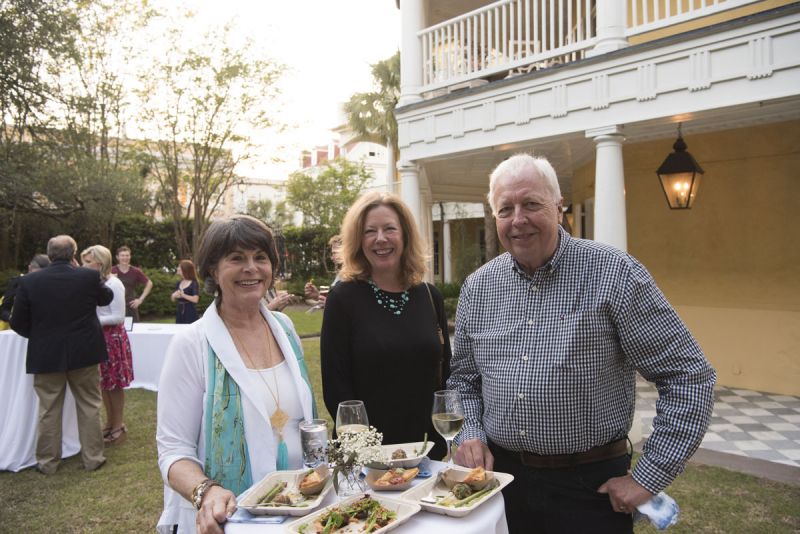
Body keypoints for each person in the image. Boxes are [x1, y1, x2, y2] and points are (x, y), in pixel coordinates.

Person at [449, 154, 716, 533]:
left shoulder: (615, 274)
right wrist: (471, 431)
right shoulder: (478, 287)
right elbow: (462, 380)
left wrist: (647, 478)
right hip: (501, 484)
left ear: (558, 207)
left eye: (531, 204)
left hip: (589, 488)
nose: (518, 219)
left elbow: (689, 376)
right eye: (505, 208)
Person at [156, 214, 318, 534]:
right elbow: (173, 451)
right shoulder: (191, 344)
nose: (251, 268)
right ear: (213, 271)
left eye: (261, 257)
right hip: (230, 522)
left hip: (301, 512)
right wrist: (207, 492)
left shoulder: (285, 329)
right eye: (236, 258)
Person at [321, 192, 452, 459]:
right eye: (370, 231)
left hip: (426, 452)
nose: (380, 239)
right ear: (359, 240)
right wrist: (366, 451)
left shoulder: (429, 296)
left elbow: (446, 375)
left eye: (389, 229)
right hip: (367, 457)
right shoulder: (343, 299)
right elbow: (336, 388)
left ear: (405, 235)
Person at [10, 235, 112, 474]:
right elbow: (106, 297)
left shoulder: (30, 281)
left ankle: (47, 462)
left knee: (48, 409)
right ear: (73, 254)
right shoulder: (88, 276)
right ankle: (93, 458)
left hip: (46, 354)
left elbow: (17, 322)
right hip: (84, 351)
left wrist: (39, 337)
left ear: (50, 254)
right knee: (89, 405)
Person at [81, 245, 134, 446]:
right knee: (104, 383)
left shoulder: (114, 284)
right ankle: (110, 422)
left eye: (88, 262)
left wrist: (91, 320)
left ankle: (118, 425)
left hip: (112, 338)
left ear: (100, 263)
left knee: (115, 384)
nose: (84, 266)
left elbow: (118, 316)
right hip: (98, 337)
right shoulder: (93, 282)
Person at [0, 254, 50, 325]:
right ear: (29, 268)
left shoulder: (51, 286)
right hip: (14, 330)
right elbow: (3, 310)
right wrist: (12, 318)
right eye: (37, 274)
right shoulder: (17, 283)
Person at [112, 245, 153, 322]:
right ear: (117, 257)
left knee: (133, 330)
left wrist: (140, 300)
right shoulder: (111, 271)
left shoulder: (135, 271)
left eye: (127, 255)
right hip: (115, 307)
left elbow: (149, 283)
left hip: (131, 306)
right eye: (122, 255)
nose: (125, 258)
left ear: (130, 257)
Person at [304, 235, 343, 308]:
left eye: (334, 253)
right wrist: (317, 295)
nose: (332, 257)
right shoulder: (341, 274)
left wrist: (329, 304)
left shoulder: (353, 276)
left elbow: (351, 307)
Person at [171, 259, 200, 324]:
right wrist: (173, 296)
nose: (177, 268)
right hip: (180, 311)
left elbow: (195, 299)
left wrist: (183, 295)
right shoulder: (178, 283)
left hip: (190, 312)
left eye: (179, 267)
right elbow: (173, 300)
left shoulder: (193, 283)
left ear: (185, 269)